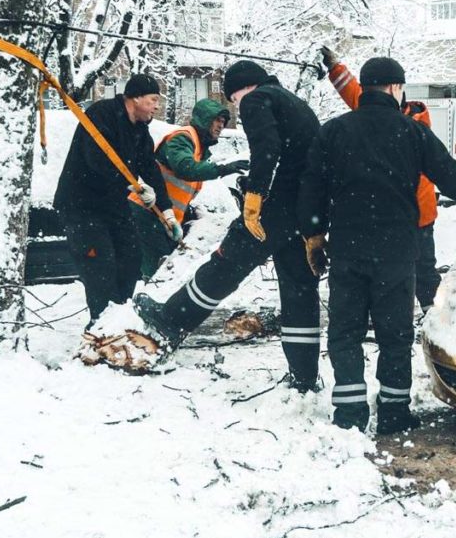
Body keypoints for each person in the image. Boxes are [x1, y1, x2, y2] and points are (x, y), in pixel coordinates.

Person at [298, 56, 456, 434]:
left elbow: (311, 183)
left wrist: (314, 234)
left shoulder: (334, 131)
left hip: (347, 248)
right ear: (396, 88)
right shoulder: (411, 131)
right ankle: (394, 413)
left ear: (366, 87)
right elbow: (451, 177)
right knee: (395, 334)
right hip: (396, 251)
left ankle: (349, 413)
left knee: (345, 331)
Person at [134, 61, 322, 392]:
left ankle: (171, 321)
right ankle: (304, 378)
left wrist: (255, 195)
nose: (236, 107)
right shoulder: (294, 103)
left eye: (233, 100)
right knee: (299, 291)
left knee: (227, 263)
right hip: (304, 212)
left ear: (239, 90)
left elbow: (268, 149)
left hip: (275, 209)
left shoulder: (257, 98)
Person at [320, 46, 441, 313]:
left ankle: (431, 311)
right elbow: (354, 92)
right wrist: (335, 67)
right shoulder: (380, 117)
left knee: (424, 267)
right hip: (396, 216)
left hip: (419, 213)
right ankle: (392, 313)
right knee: (395, 270)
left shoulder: (416, 126)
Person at [53, 74, 179, 326]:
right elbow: (96, 160)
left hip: (112, 204)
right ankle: (101, 326)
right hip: (82, 204)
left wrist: (167, 212)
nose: (157, 106)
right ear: (134, 98)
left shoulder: (140, 130)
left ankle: (120, 318)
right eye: (153, 100)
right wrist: (136, 185)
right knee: (101, 263)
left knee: (131, 256)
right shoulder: (102, 114)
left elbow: (150, 168)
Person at [128, 98, 249, 279]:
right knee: (156, 272)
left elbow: (182, 188)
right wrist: (222, 169)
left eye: (223, 122)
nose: (220, 126)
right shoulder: (182, 138)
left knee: (159, 270)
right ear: (205, 119)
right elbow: (185, 168)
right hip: (147, 212)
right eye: (217, 120)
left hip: (162, 218)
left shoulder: (198, 149)